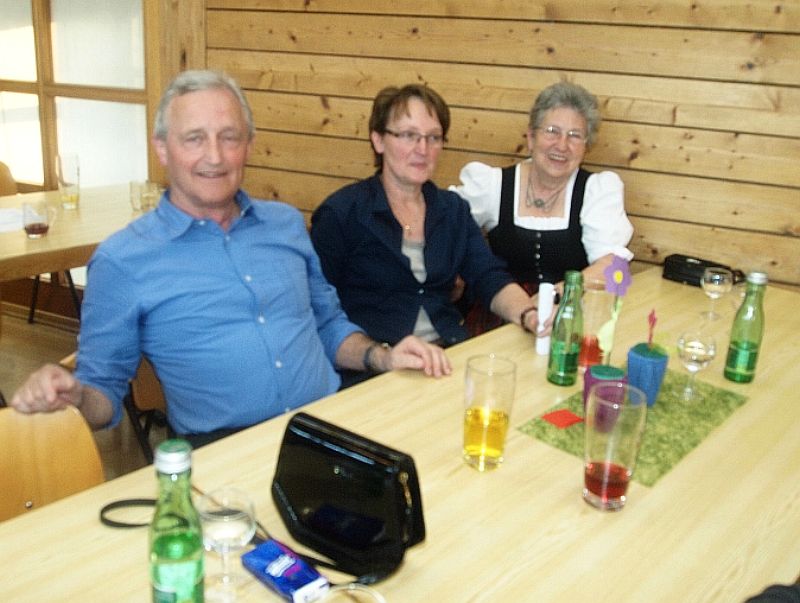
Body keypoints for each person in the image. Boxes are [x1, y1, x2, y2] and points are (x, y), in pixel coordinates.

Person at [10, 70, 450, 448]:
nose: (215, 157)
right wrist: (73, 395)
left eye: (229, 137)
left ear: (249, 145)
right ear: (162, 149)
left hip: (329, 427)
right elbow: (102, 394)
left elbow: (329, 326)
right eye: (194, 139)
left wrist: (382, 356)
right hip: (224, 452)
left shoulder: (285, 225)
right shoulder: (124, 261)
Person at [310, 84, 543, 386]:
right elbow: (318, 315)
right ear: (378, 140)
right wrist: (379, 355)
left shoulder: (453, 209)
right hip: (372, 369)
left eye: (433, 137)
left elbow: (489, 276)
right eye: (409, 135)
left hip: (447, 357)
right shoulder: (342, 214)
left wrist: (529, 314)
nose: (423, 149)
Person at [449, 81, 634, 333]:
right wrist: (454, 272)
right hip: (500, 319)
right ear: (531, 137)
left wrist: (558, 296)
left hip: (568, 317)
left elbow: (613, 267)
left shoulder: (597, 190)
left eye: (575, 135)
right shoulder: (493, 185)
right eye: (552, 131)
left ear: (586, 146)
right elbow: (444, 224)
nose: (562, 145)